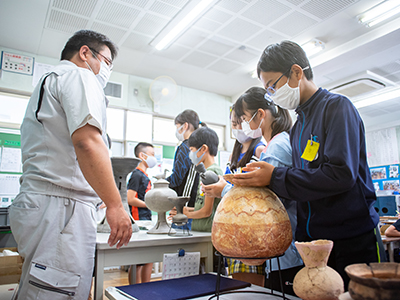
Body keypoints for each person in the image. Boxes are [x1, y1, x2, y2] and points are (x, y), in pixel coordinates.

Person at [231, 40, 385, 289]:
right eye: (267, 90)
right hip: (316, 244)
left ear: (296, 72)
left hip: (353, 239)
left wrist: (275, 177)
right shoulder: (299, 125)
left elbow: (340, 174)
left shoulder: (337, 107)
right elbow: (305, 182)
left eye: (272, 86)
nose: (271, 95)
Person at [9, 30, 132, 299]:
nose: (106, 71)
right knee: (54, 292)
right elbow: (87, 142)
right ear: (85, 53)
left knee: (39, 287)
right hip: (60, 209)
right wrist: (114, 204)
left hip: (47, 205)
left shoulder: (50, 80)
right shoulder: (79, 75)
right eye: (107, 62)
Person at [203, 105, 266, 286]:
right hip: (233, 226)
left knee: (252, 286)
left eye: (242, 122)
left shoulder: (260, 151)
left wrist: (223, 189)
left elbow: (258, 192)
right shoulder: (234, 154)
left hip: (252, 227)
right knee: (237, 282)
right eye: (234, 124)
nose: (238, 128)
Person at [166, 110, 204, 229]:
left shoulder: (185, 147)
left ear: (185, 126)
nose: (177, 131)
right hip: (194, 207)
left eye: (177, 127)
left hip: (184, 208)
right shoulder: (199, 147)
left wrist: (162, 183)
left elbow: (177, 178)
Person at [127, 142, 156, 284]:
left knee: (149, 258)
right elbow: (130, 198)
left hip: (147, 218)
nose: (154, 158)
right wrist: (149, 204)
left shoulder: (145, 175)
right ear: (142, 155)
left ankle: (146, 289)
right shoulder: (136, 175)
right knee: (137, 261)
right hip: (138, 219)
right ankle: (134, 290)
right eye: (152, 155)